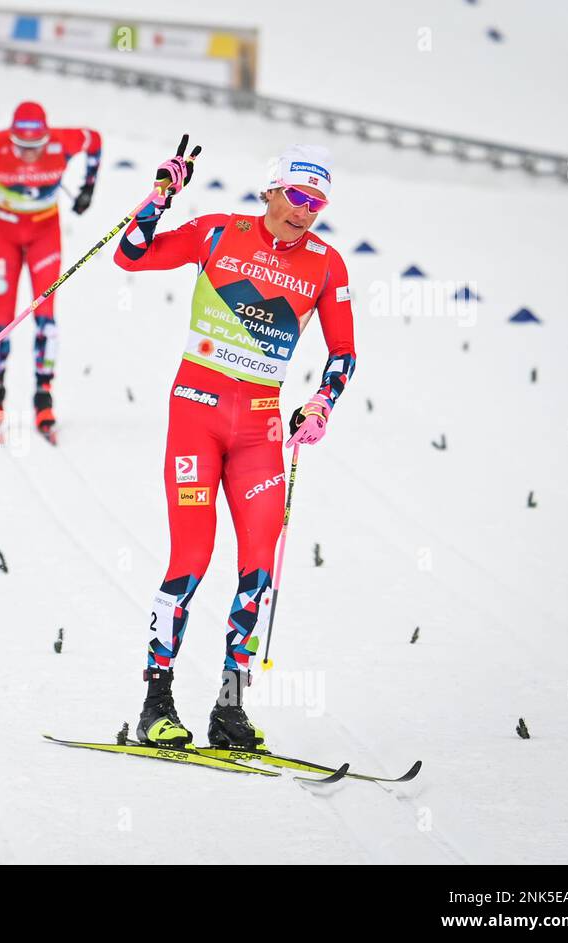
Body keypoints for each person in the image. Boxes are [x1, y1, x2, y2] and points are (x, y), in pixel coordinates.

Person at [113, 144, 357, 749]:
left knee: (257, 568)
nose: (304, 212)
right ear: (270, 191)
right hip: (196, 413)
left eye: (317, 204)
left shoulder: (327, 264)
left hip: (262, 428)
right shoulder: (217, 231)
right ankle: (156, 704)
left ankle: (229, 708)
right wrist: (159, 198)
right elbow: (130, 256)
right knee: (192, 557)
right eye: (297, 196)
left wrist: (322, 401)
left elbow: (344, 352)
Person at [0, 102, 101, 442]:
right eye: (22, 147)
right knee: (2, 319)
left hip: (44, 236)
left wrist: (87, 189)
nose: (30, 154)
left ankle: (43, 400)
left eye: (35, 147)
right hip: (3, 235)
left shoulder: (64, 142)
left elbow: (95, 142)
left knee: (46, 319)